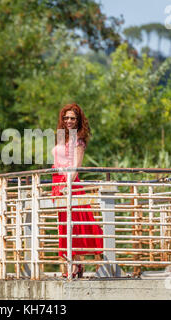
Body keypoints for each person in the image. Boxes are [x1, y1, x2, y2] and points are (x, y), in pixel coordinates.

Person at [51, 103, 103, 278]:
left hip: (69, 183)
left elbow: (75, 167)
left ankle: (75, 266)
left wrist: (66, 186)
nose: (69, 121)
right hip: (56, 182)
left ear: (78, 120)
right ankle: (75, 264)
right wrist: (57, 186)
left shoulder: (78, 140)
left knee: (75, 224)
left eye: (72, 118)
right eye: (66, 118)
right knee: (64, 225)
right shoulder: (61, 136)